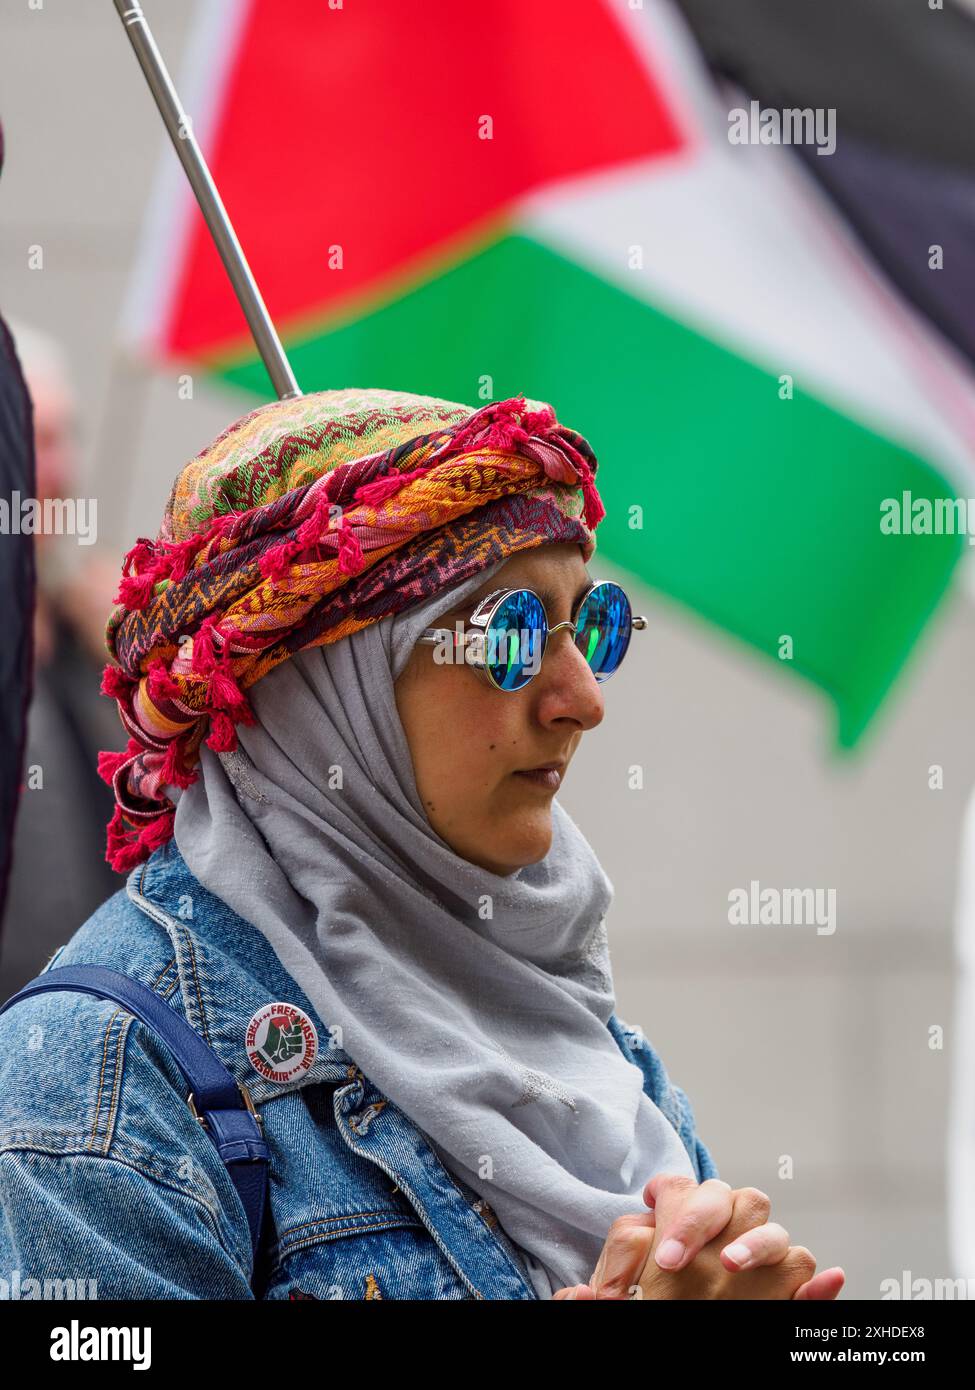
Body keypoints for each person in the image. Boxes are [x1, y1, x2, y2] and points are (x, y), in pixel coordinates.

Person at [0, 387, 845, 1299]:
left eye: (594, 625)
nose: (583, 702)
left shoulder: (561, 1010)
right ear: (323, 685)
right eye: (509, 635)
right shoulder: (104, 1077)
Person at [0, 319, 123, 1000]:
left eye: (63, 438)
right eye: (33, 439)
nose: (58, 471)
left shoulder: (89, 636)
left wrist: (144, 669)